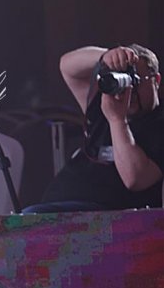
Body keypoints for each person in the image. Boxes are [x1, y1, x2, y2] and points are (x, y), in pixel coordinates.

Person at [24, 44, 163, 212]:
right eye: (124, 80)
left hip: (106, 216)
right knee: (16, 221)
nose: (130, 90)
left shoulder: (156, 122)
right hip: (56, 206)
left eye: (136, 80)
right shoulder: (105, 105)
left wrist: (117, 120)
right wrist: (106, 57)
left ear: (156, 80)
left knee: (27, 219)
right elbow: (67, 66)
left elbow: (135, 179)